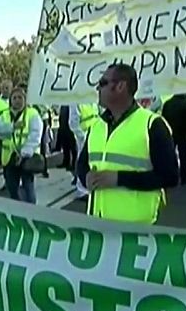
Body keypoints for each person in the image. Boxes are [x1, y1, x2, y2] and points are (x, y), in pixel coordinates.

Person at [76, 64, 179, 224]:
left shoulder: (152, 124)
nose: (98, 88)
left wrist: (119, 179)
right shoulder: (96, 126)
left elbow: (170, 177)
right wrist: (86, 177)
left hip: (136, 229)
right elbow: (82, 164)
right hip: (98, 223)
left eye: (103, 83)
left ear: (120, 86)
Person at [0, 87, 43, 204]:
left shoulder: (32, 114)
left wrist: (24, 153)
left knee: (28, 187)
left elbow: (35, 135)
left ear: (25, 99)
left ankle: (31, 211)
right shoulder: (5, 114)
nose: (17, 100)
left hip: (27, 158)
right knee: (12, 188)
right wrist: (12, 127)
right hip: (9, 158)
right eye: (14, 98)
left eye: (20, 97)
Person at [161, 94, 186, 185]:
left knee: (170, 156)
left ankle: (171, 177)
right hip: (183, 134)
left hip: (171, 133)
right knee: (183, 156)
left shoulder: (167, 104)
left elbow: (163, 119)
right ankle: (184, 178)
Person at [70, 102, 100, 198]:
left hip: (95, 135)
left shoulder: (93, 102)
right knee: (82, 162)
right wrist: (82, 137)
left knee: (92, 162)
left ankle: (90, 184)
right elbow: (73, 123)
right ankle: (81, 188)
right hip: (84, 137)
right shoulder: (76, 102)